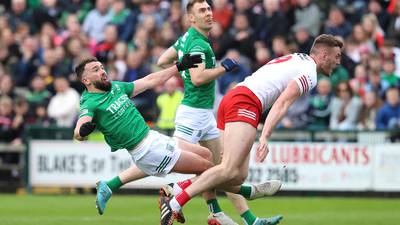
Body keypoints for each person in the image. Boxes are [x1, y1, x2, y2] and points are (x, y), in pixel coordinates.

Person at [96, 1, 283, 225]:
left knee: (221, 167)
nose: (209, 14)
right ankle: (166, 190)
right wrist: (223, 68)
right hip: (192, 114)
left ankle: (237, 217)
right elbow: (198, 78)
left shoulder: (187, 39)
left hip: (203, 114)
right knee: (166, 158)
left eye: (209, 9)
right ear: (191, 18)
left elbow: (162, 60)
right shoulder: (196, 43)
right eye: (202, 11)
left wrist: (181, 68)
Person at [159, 34, 343, 225]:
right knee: (228, 169)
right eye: (337, 56)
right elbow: (282, 103)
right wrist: (265, 136)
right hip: (246, 102)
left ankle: (245, 194)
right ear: (323, 55)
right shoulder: (310, 72)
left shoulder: (298, 58)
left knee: (236, 175)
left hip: (235, 98)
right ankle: (176, 200)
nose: (338, 62)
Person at [73, 55, 215, 217]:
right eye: (95, 70)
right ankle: (178, 196)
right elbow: (79, 130)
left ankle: (209, 210)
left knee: (207, 154)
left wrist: (178, 67)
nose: (102, 71)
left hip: (154, 137)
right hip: (147, 150)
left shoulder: (115, 87)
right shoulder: (89, 102)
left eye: (102, 67)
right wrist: (82, 131)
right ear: (86, 81)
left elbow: (150, 80)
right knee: (209, 170)